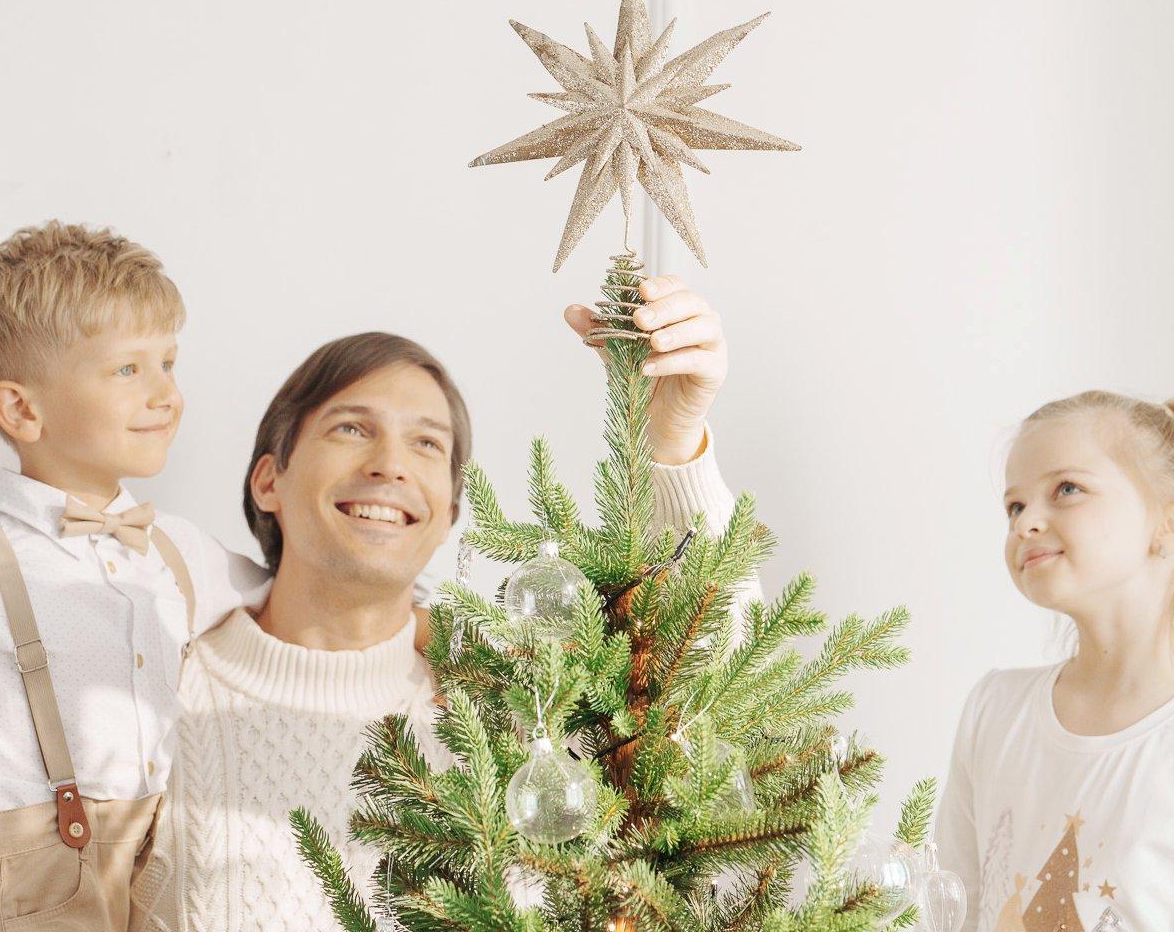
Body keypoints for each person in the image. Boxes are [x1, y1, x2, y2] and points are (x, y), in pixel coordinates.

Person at [138, 279, 755, 930]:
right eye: (352, 427)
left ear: (449, 513)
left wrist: (669, 437)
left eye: (427, 443)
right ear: (270, 480)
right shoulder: (153, 696)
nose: (390, 465)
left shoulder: (519, 709)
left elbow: (704, 679)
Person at [0, 222, 269, 931]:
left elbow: (311, 606)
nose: (165, 394)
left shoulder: (179, 550)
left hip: (156, 876)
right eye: (127, 369)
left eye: (168, 363)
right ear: (21, 409)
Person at [935, 391, 1174, 931]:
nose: (1024, 523)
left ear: (1172, 525)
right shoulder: (993, 711)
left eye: (1066, 489)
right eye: (1014, 505)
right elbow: (951, 911)